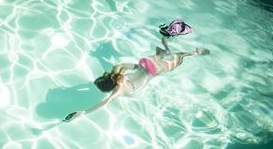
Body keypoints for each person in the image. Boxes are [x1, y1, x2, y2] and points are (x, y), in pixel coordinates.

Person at [63, 21, 209, 122]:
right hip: (143, 63)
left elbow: (105, 102)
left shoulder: (119, 89)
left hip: (153, 70)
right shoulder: (118, 76)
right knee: (163, 54)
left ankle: (196, 53)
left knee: (180, 57)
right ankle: (165, 39)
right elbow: (122, 67)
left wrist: (82, 113)